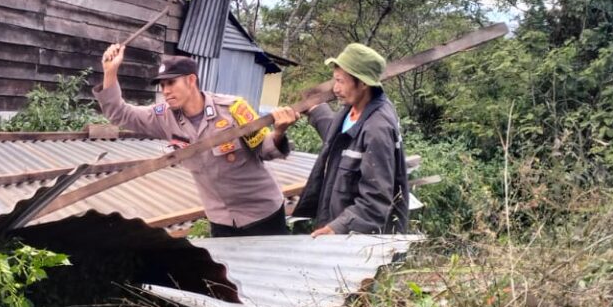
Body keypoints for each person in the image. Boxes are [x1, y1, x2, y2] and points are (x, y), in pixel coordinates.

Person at [94, 45, 300, 236]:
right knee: (229, 274)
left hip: (263, 213)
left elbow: (265, 149)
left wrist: (279, 132)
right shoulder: (163, 116)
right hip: (222, 219)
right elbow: (121, 114)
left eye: (171, 83)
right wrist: (110, 72)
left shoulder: (232, 110)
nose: (165, 91)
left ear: (191, 81)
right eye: (162, 85)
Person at [293, 43, 410, 237]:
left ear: (363, 83)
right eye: (334, 80)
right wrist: (316, 110)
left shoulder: (377, 129)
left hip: (359, 239)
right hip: (336, 221)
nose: (335, 89)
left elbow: (376, 199)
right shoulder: (353, 108)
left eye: (341, 81)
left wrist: (337, 227)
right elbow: (342, 138)